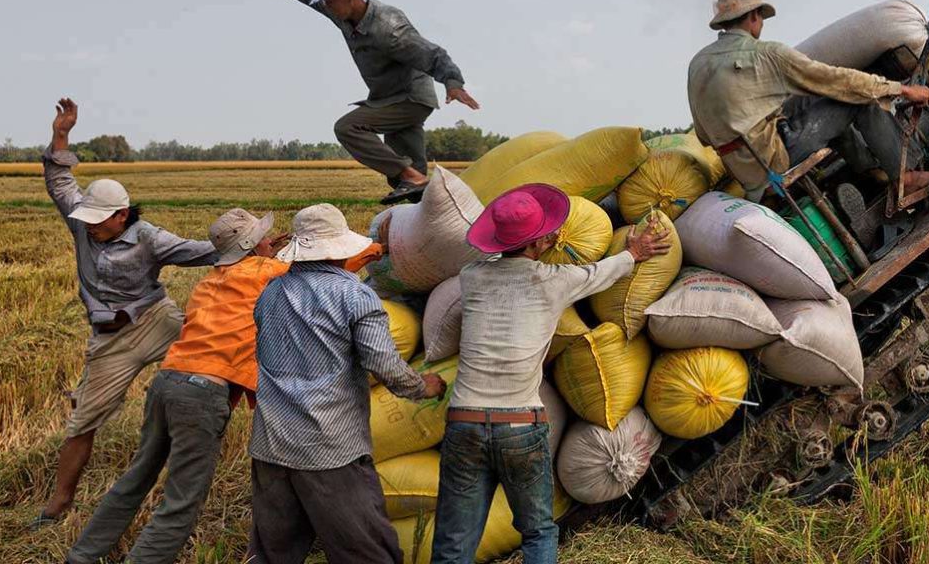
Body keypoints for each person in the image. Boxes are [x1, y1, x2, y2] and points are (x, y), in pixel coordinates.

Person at [430, 184, 673, 564]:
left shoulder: (471, 276)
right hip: (519, 426)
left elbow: (503, 263)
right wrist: (634, 252)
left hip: (465, 421)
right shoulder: (554, 281)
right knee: (538, 531)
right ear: (538, 243)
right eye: (543, 235)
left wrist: (534, 243)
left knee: (453, 544)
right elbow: (599, 273)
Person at [34, 99, 219, 529]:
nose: (91, 226)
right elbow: (59, 180)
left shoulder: (149, 238)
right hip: (110, 339)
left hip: (155, 320)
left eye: (100, 221)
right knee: (83, 421)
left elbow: (199, 252)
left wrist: (250, 249)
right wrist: (61, 134)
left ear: (122, 216)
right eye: (88, 219)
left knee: (213, 360)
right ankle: (58, 504)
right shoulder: (82, 222)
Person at [65, 209, 288, 564]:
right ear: (253, 246)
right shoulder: (265, 271)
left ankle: (80, 557)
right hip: (202, 394)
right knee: (181, 504)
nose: (269, 240)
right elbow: (324, 269)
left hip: (167, 382)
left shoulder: (211, 281)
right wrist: (377, 248)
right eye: (263, 237)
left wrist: (264, 254)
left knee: (136, 479)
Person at [247, 203, 447, 564]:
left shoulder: (271, 293)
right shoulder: (355, 295)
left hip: (270, 443)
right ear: (339, 248)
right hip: (328, 446)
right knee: (368, 552)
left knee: (273, 553)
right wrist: (424, 387)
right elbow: (384, 366)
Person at [239, 0, 480, 204]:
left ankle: (413, 177)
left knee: (348, 128)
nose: (326, 4)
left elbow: (432, 54)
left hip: (409, 99)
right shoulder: (343, 15)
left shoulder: (388, 27)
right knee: (413, 191)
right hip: (387, 98)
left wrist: (453, 82)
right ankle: (431, 202)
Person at [687, 0, 929, 202]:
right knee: (857, 99)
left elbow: (703, 136)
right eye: (761, 17)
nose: (761, 23)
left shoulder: (697, 65)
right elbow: (835, 80)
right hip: (775, 162)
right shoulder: (766, 54)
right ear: (753, 16)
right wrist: (902, 89)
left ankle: (871, 171)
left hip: (747, 174)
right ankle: (905, 176)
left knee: (815, 99)